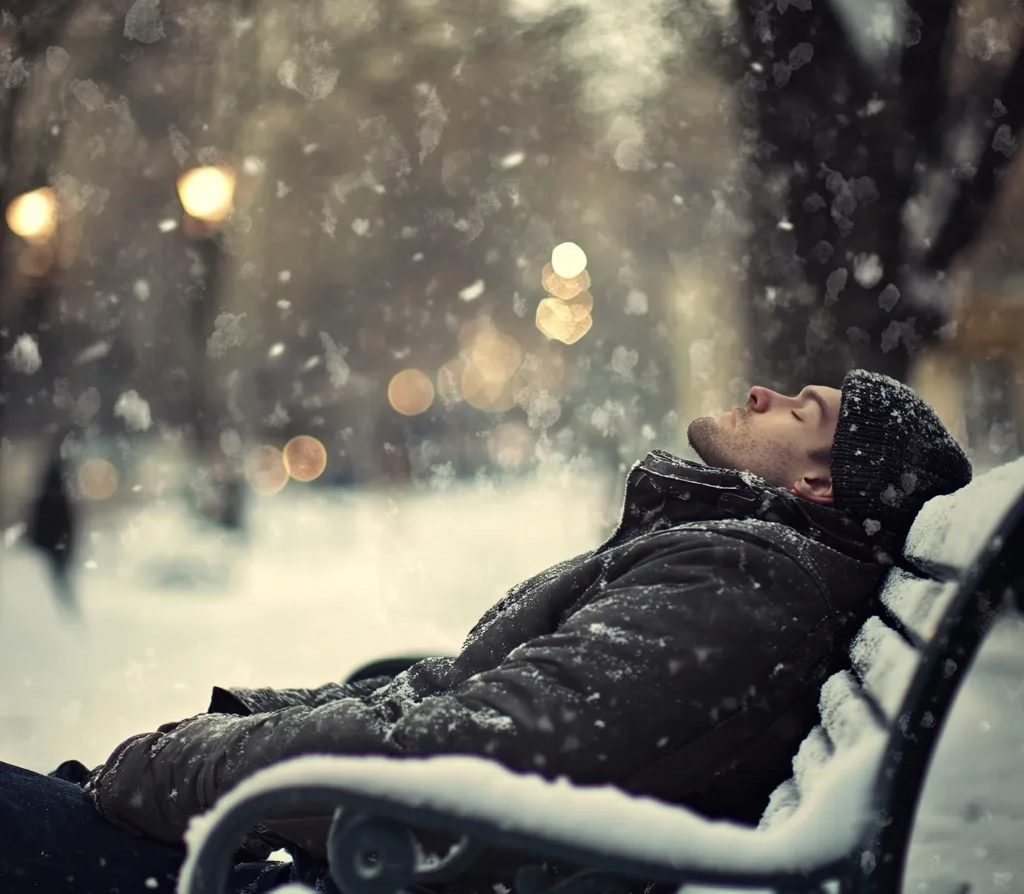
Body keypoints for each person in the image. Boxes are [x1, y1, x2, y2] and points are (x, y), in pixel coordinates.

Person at [0, 369, 972, 893]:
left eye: (802, 410)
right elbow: (457, 704)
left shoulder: (746, 586)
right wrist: (224, 734)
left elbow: (474, 749)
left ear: (815, 486)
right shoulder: (743, 568)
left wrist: (188, 771)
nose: (765, 392)